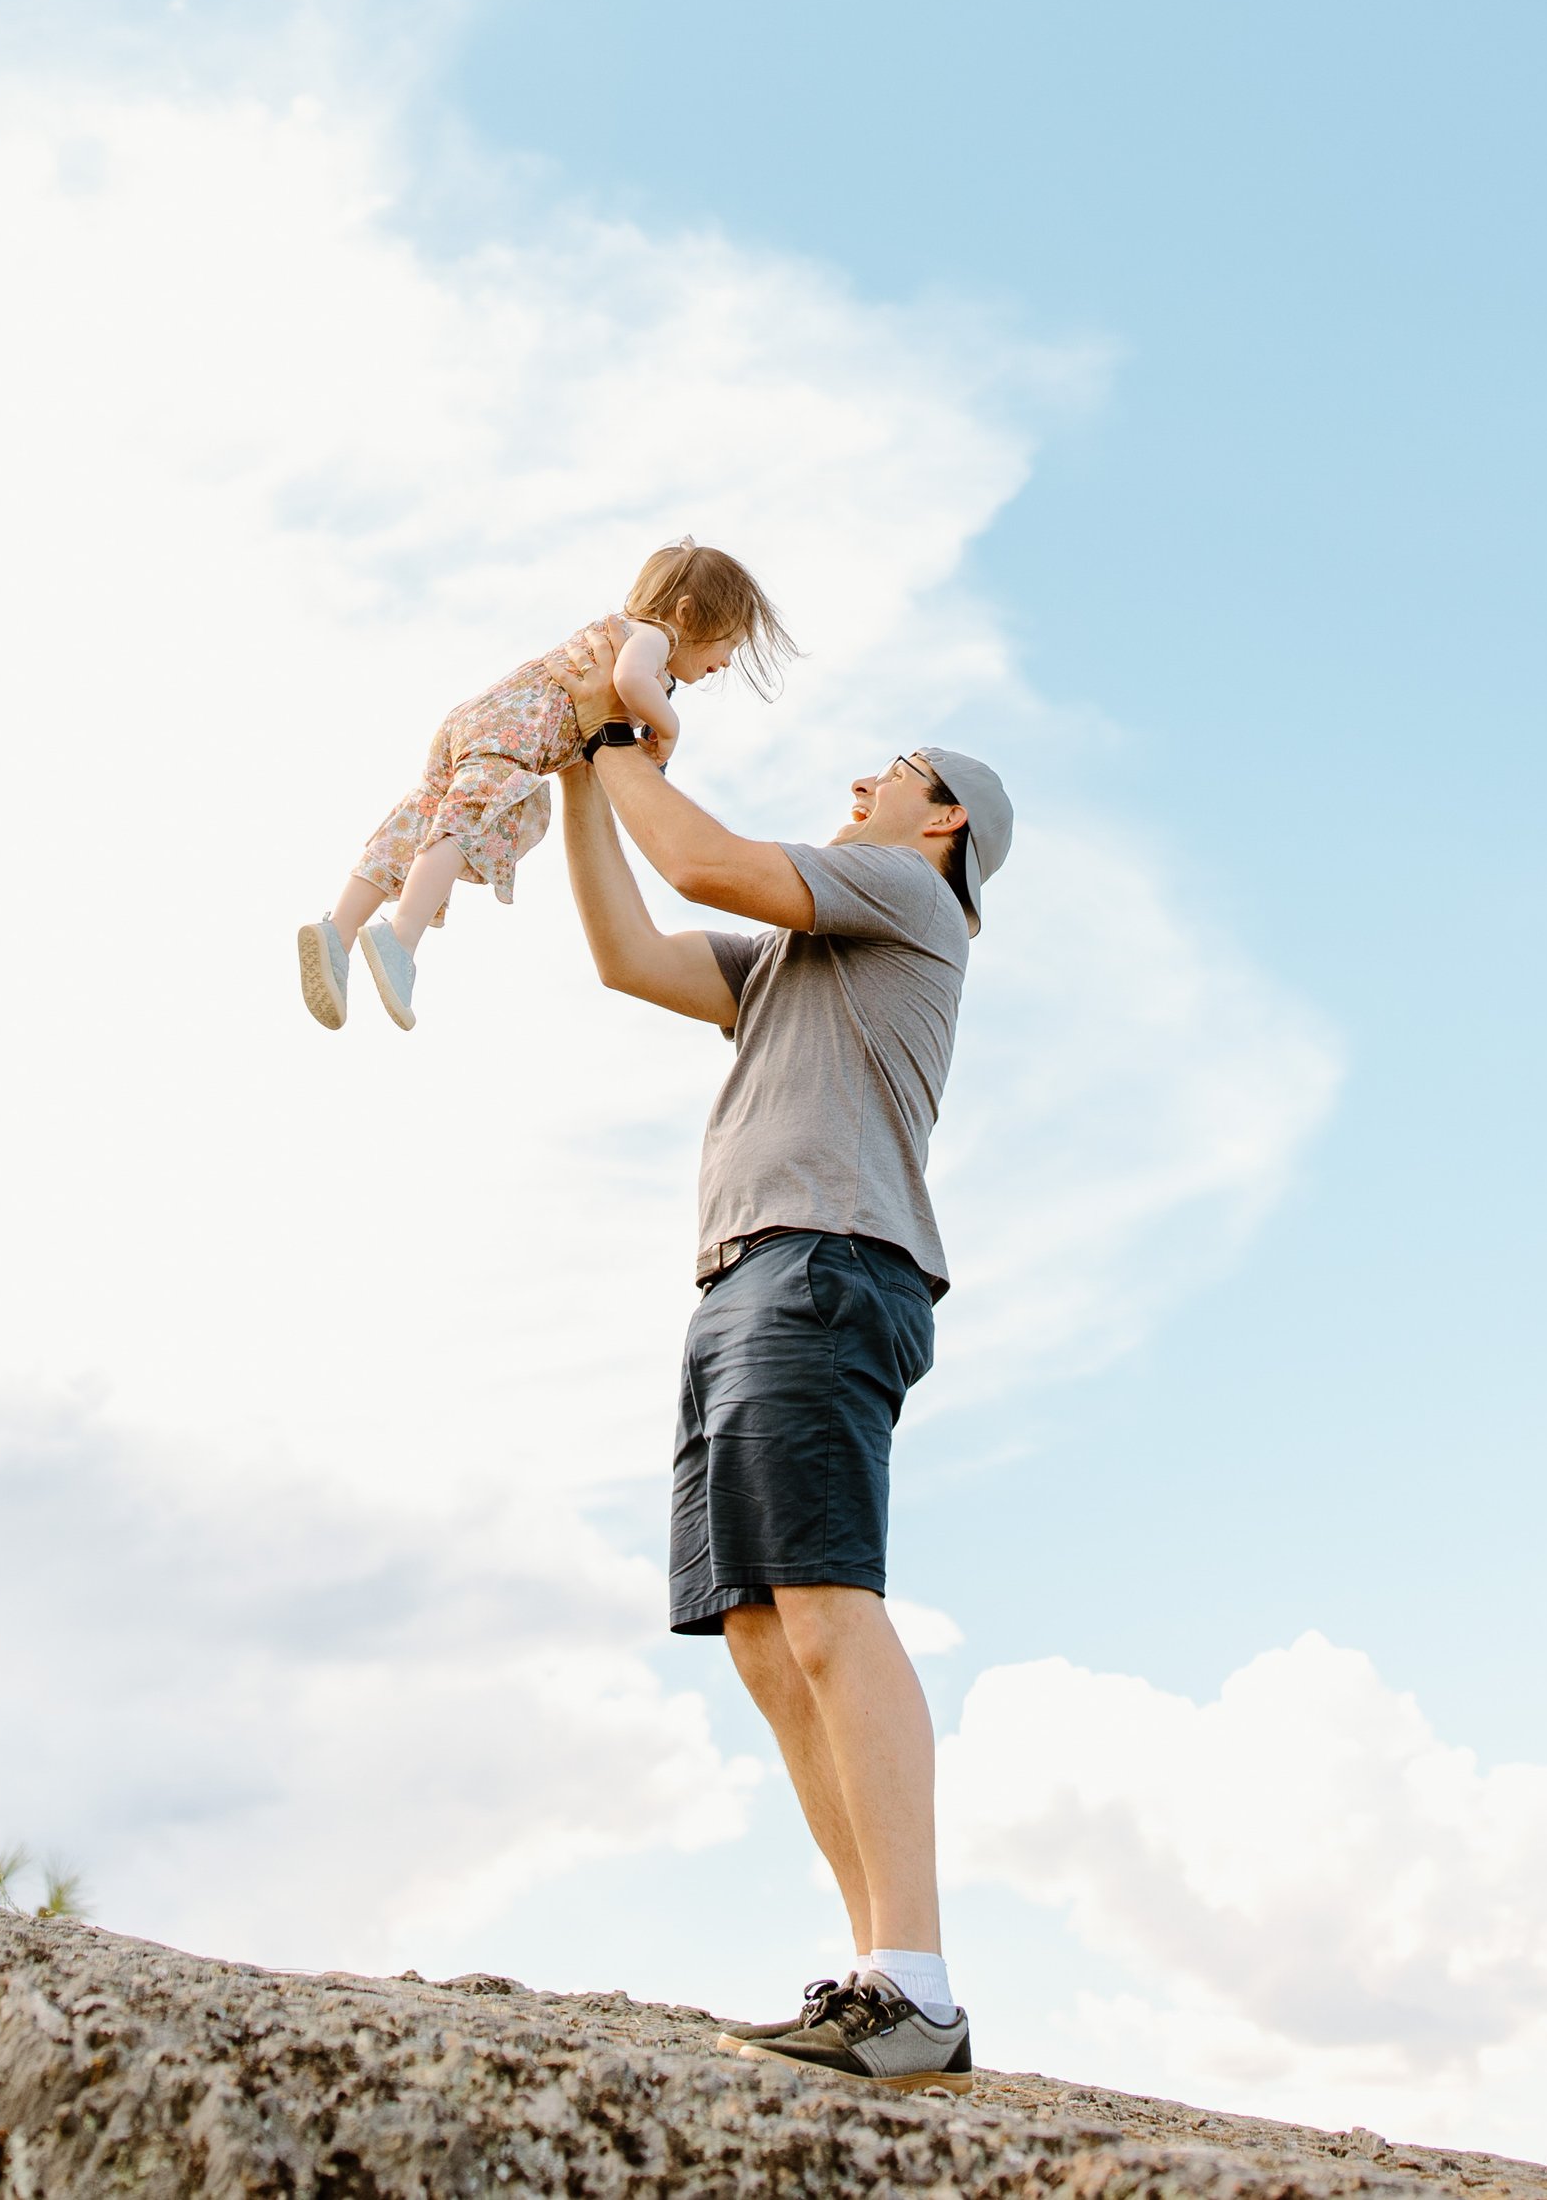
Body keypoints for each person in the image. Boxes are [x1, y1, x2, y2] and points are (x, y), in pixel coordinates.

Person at [554, 643, 1012, 2089]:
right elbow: (631, 948)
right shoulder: (806, 954)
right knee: (761, 1629)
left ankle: (916, 1980)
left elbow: (696, 860)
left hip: (825, 1265)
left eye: (896, 767)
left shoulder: (905, 892)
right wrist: (583, 777)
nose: (865, 776)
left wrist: (624, 726)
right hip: (749, 1277)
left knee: (824, 1603)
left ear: (943, 821)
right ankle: (884, 1971)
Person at [297, 541, 794, 1035]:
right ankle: (401, 936)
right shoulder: (652, 636)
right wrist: (669, 728)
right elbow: (630, 678)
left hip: (478, 719)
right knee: (464, 828)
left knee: (417, 818)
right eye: (729, 642)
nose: (727, 661)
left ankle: (336, 932)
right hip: (514, 735)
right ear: (686, 614)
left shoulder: (618, 633)